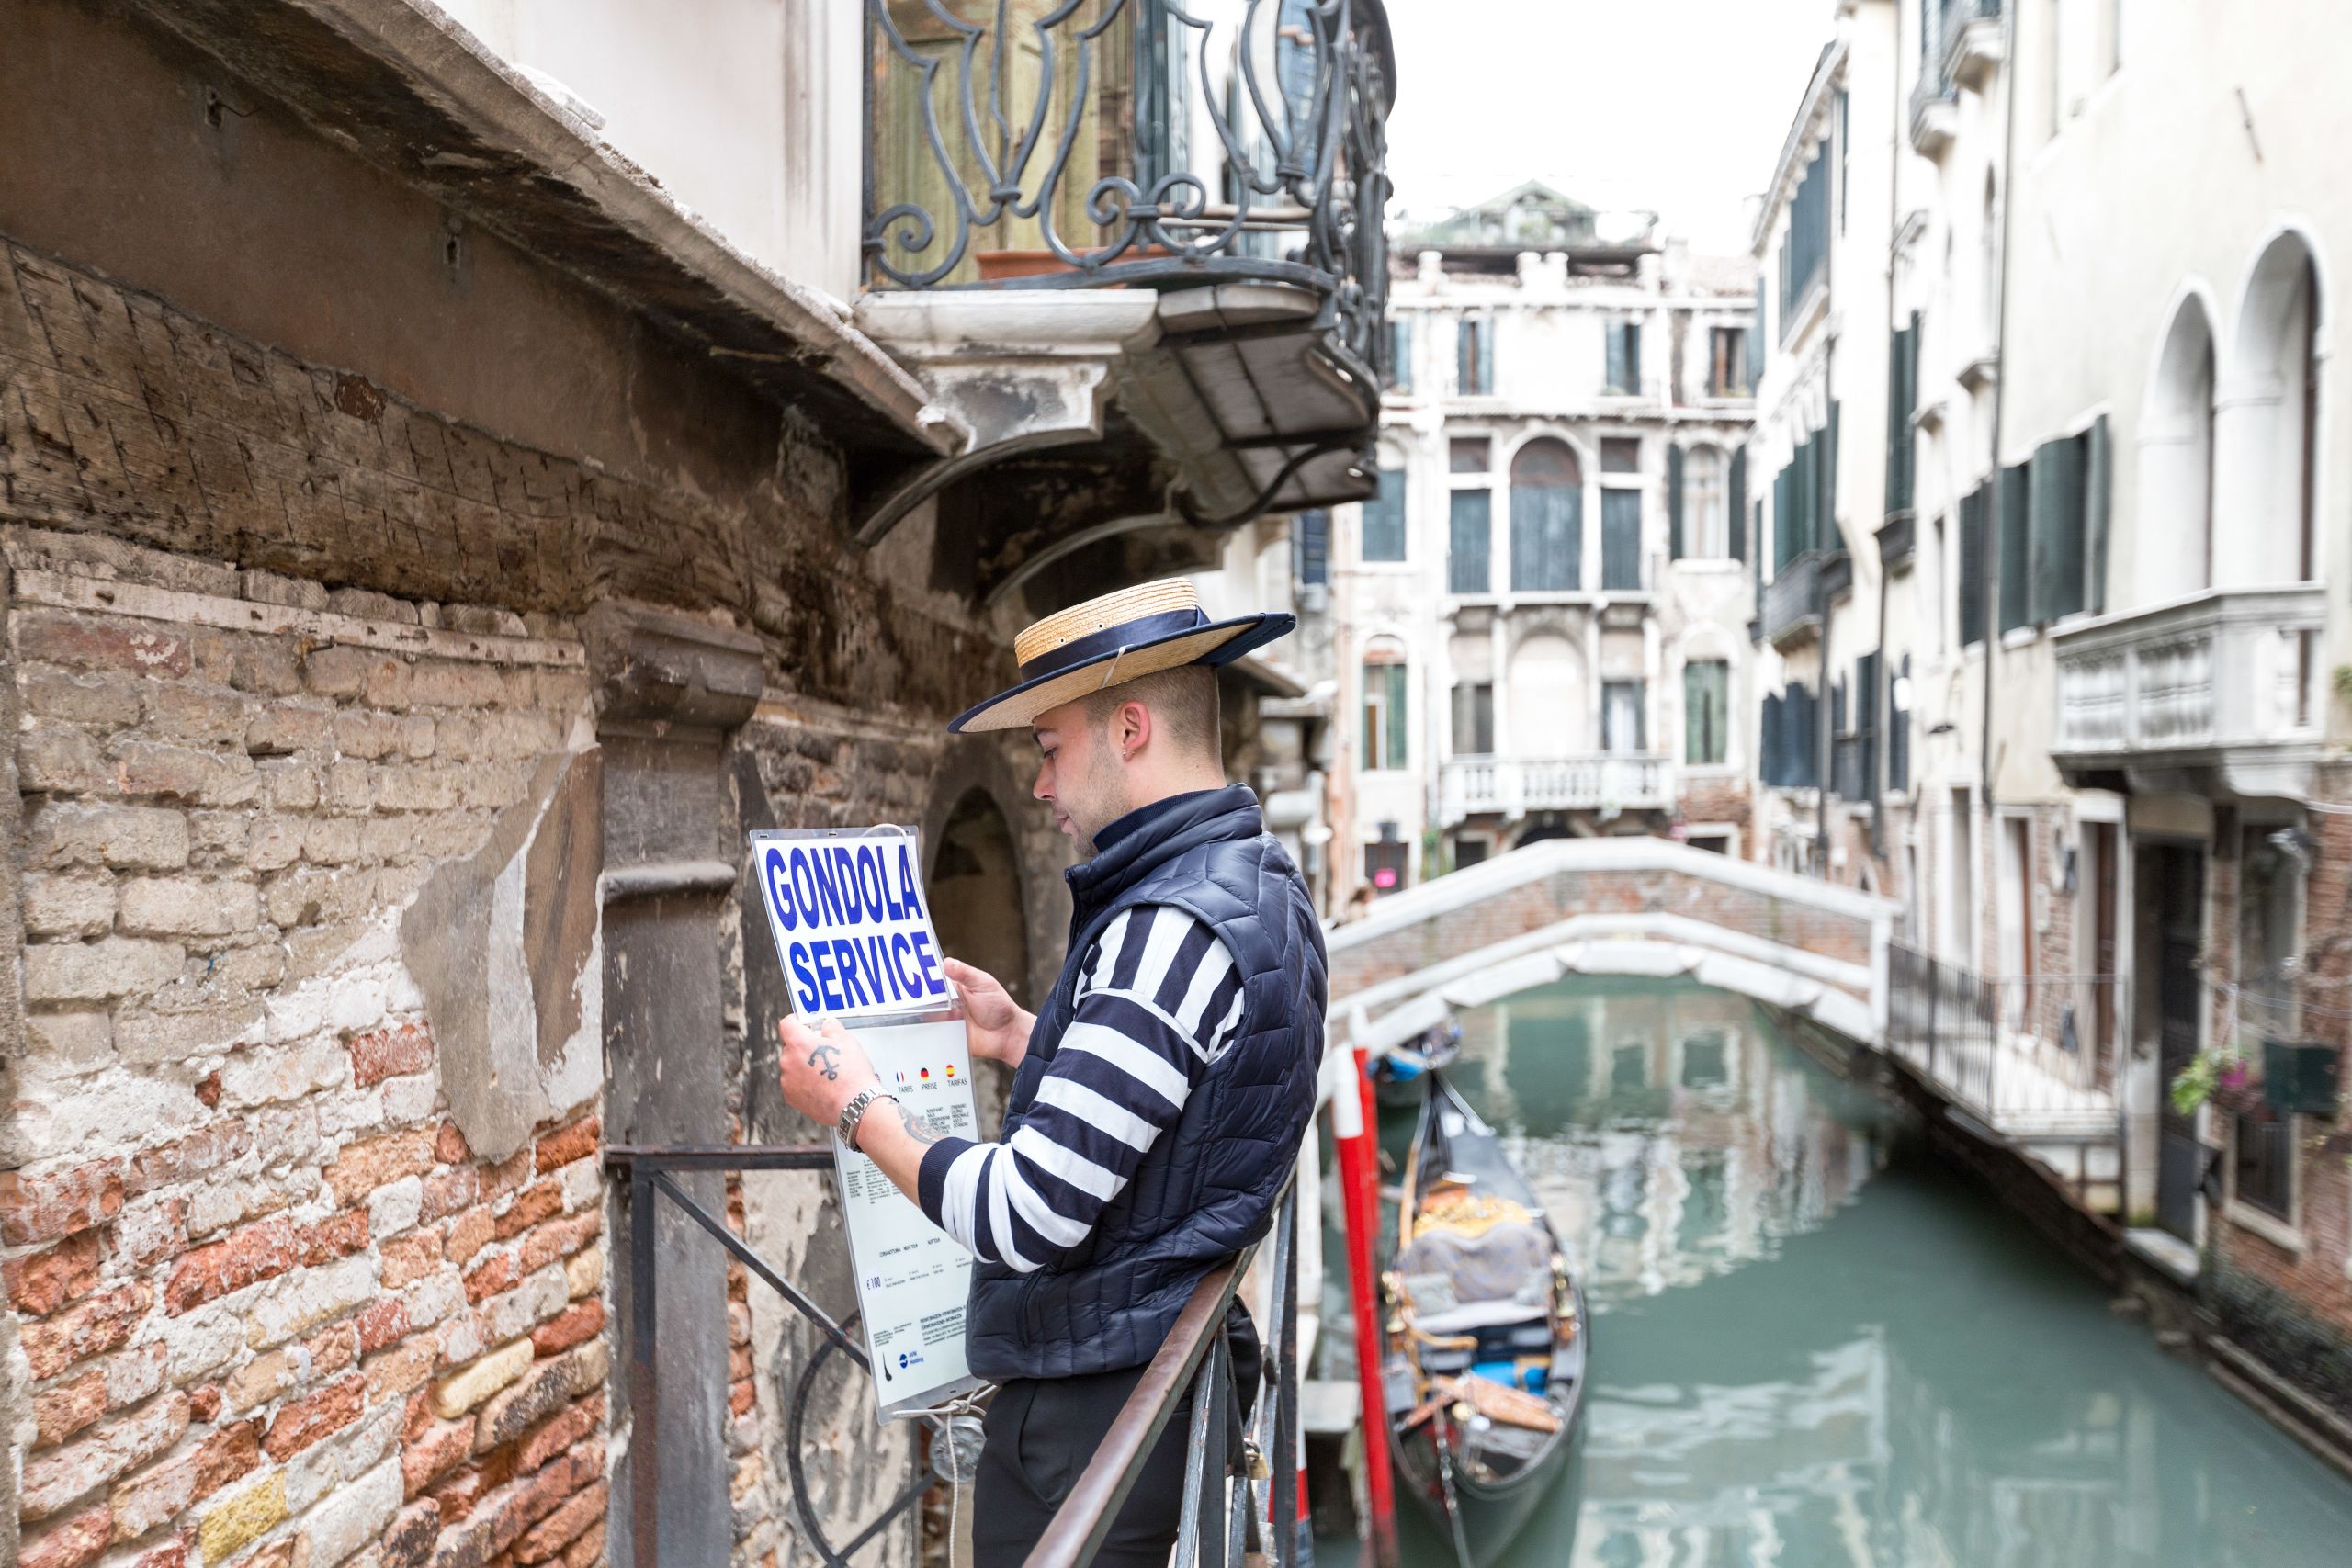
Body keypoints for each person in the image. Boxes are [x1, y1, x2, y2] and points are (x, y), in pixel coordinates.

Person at [774, 578, 1328, 1567]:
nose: (1039, 785)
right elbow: (1200, 1094)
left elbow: (1025, 1214)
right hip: (1149, 1384)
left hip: (1098, 1420)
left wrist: (856, 1105)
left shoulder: (1168, 926)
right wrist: (1028, 1035)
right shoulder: (1259, 885)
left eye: (1049, 748)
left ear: (1127, 729)